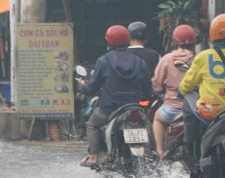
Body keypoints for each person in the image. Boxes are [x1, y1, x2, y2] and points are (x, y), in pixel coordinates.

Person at [80, 24, 152, 168]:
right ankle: (153, 153)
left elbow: (93, 85)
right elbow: (147, 85)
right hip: (134, 107)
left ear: (109, 41)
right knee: (148, 124)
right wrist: (146, 101)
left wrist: (83, 89)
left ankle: (94, 156)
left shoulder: (103, 60)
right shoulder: (139, 61)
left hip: (109, 109)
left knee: (92, 125)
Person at [152, 24, 197, 158]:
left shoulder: (167, 59)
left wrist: (158, 89)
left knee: (157, 118)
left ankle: (160, 152)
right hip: (194, 109)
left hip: (171, 108)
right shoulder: (198, 59)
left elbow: (157, 85)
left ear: (175, 40)